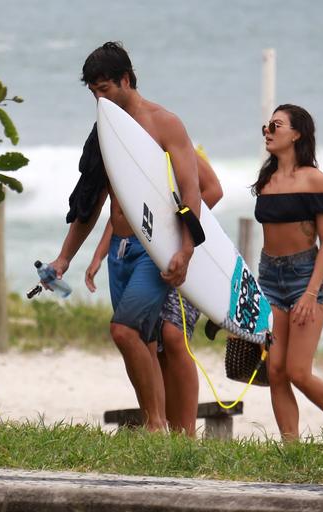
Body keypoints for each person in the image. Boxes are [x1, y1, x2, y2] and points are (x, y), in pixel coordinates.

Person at [44, 42, 202, 432]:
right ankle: (160, 430)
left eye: (105, 89)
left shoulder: (165, 124)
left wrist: (186, 249)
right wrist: (64, 258)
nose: (99, 98)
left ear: (126, 80)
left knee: (123, 330)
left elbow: (194, 191)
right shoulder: (104, 133)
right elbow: (90, 203)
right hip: (121, 250)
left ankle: (156, 424)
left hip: (155, 249)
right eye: (93, 92)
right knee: (143, 341)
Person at [85, 149, 222, 436]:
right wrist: (99, 253)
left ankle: (185, 435)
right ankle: (164, 428)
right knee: (153, 342)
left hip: (181, 252)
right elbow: (126, 209)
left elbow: (213, 191)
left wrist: (173, 230)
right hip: (143, 251)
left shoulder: (169, 141)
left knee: (173, 336)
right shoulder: (126, 145)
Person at [252, 104, 323, 441]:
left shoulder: (314, 179)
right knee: (275, 371)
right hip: (269, 278)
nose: (268, 131)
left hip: (306, 278)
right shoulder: (266, 180)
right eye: (267, 125)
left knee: (297, 370)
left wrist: (311, 292)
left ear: (296, 134)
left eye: (276, 126)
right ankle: (291, 446)